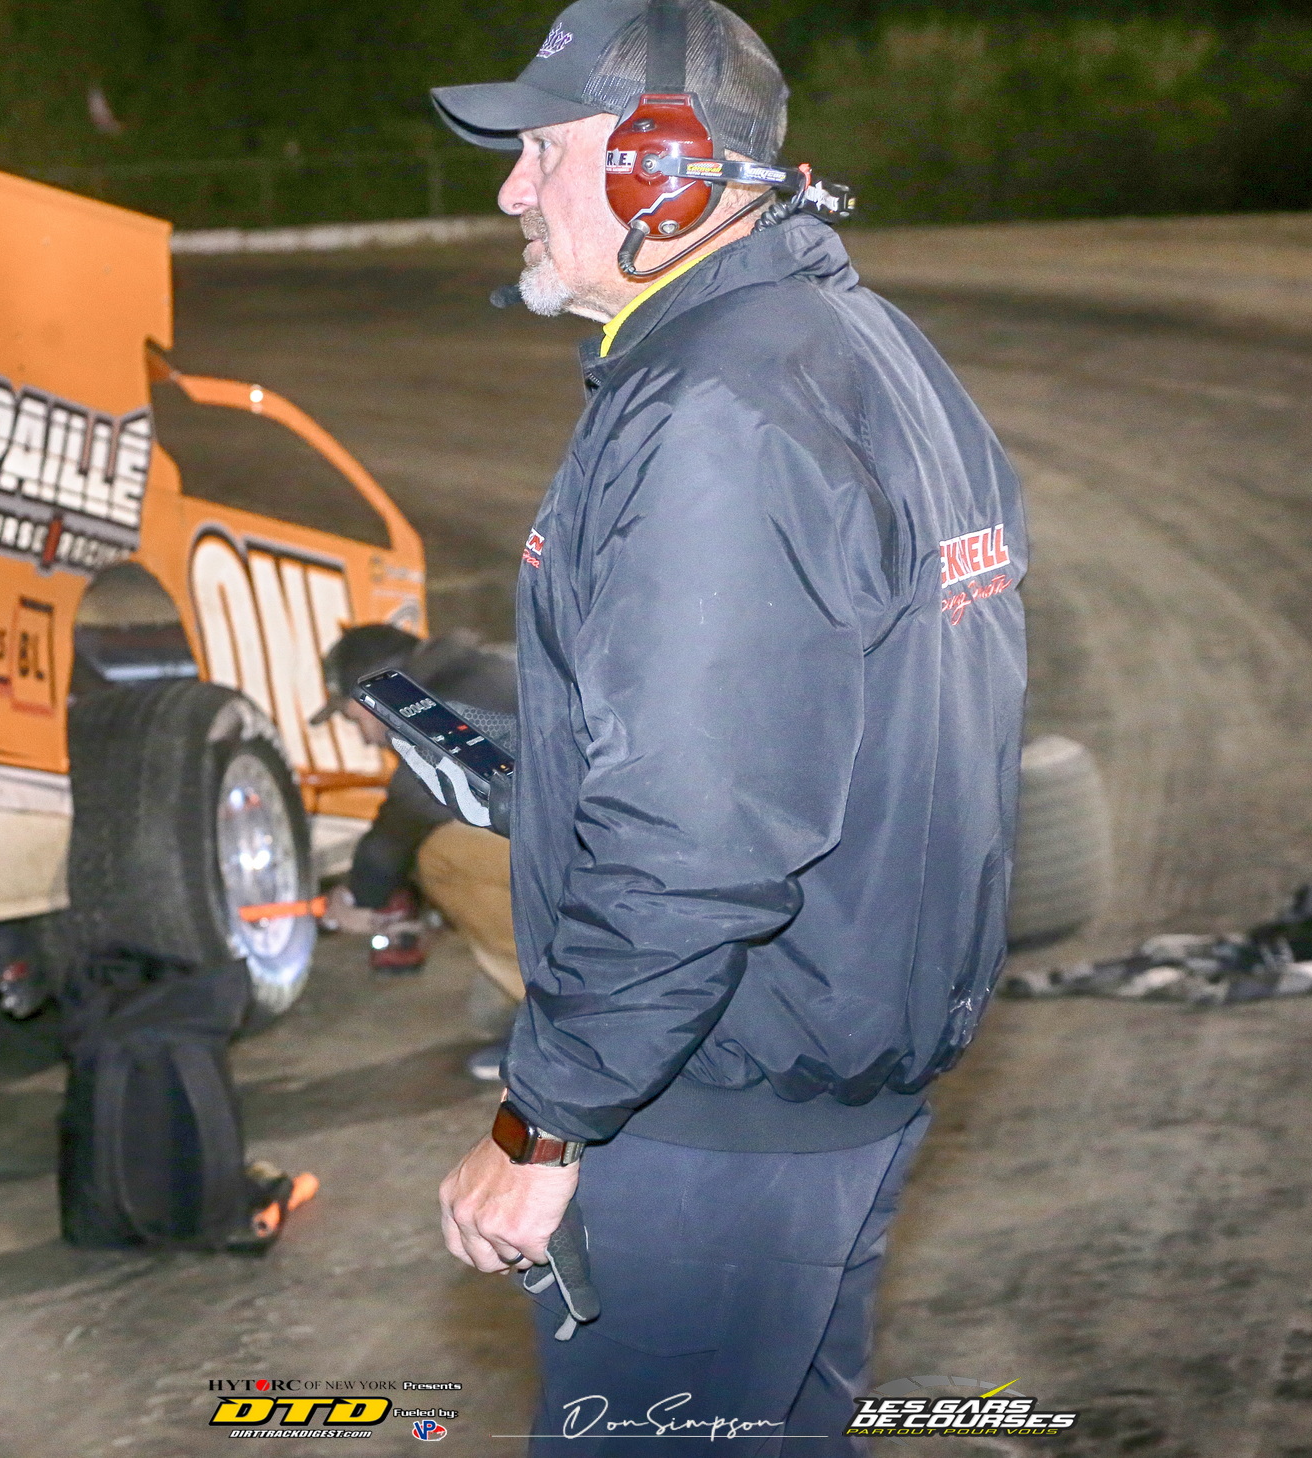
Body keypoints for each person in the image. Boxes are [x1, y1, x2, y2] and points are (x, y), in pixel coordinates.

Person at [430, 0, 1028, 1450]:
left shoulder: (714, 411)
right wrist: (553, 784)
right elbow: (843, 722)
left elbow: (701, 840)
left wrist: (543, 1120)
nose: (511, 190)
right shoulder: (865, 347)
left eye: (545, 153)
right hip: (831, 1084)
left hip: (711, 1116)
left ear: (662, 173)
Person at [313, 624, 517, 984]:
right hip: (608, 833)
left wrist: (357, 897)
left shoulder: (440, 704)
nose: (364, 738)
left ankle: (561, 1003)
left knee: (440, 855)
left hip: (591, 849)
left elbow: (407, 815)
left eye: (353, 718)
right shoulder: (475, 672)